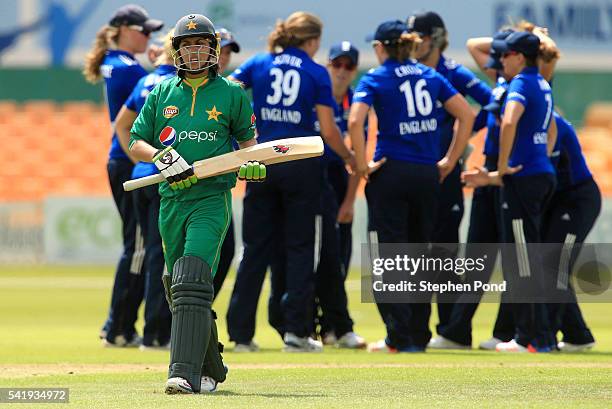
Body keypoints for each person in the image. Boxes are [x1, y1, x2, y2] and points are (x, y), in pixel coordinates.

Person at [128, 13, 261, 394]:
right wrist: (162, 157)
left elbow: (251, 149)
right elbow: (136, 141)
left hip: (211, 198)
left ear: (213, 49)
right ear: (177, 51)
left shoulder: (233, 93)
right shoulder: (162, 93)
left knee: (190, 277)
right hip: (171, 200)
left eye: (201, 44)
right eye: (187, 45)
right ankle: (212, 366)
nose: (194, 50)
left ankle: (182, 373)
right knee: (176, 285)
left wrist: (252, 167)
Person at [226, 11, 356, 352]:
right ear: (312, 41)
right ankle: (296, 333)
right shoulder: (316, 72)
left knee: (254, 250)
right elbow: (328, 130)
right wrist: (349, 157)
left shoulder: (258, 63)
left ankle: (240, 335)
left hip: (262, 161)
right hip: (301, 164)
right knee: (302, 250)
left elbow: (228, 91)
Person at [349, 20, 474, 352]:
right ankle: (418, 335)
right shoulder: (431, 76)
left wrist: (362, 165)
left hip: (391, 172)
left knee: (390, 259)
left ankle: (399, 336)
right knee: (421, 257)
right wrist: (450, 160)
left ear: (380, 48)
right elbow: (467, 115)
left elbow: (354, 120)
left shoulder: (376, 77)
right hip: (426, 175)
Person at [406, 11, 492, 347]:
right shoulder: (407, 71)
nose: (414, 43)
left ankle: (452, 332)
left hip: (445, 172)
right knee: (414, 249)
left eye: (420, 36)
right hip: (417, 171)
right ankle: (413, 331)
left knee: (443, 250)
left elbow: (492, 103)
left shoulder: (452, 71)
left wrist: (461, 138)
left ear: (436, 37)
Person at [429, 29, 517, 351]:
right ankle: (456, 331)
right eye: (500, 56)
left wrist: (528, 40)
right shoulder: (503, 83)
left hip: (512, 174)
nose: (497, 62)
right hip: (489, 173)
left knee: (514, 258)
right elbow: (475, 46)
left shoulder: (529, 83)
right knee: (477, 258)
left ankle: (511, 333)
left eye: (507, 55)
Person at [83, 4, 163, 347]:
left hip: (122, 160)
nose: (149, 37)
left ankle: (118, 324)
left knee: (137, 244)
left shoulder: (116, 65)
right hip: (131, 162)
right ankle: (118, 325)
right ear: (125, 29)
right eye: (144, 31)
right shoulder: (130, 70)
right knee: (140, 246)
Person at [490, 31, 557, 353]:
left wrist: (502, 165)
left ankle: (528, 337)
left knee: (521, 260)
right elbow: (552, 128)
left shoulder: (520, 84)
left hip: (524, 177)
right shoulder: (543, 82)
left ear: (519, 56)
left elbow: (509, 121)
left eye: (506, 55)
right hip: (540, 172)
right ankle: (540, 336)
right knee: (530, 256)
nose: (501, 60)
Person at [115, 30, 176, 350]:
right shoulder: (178, 86)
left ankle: (135, 327)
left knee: (149, 253)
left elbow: (121, 125)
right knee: (163, 257)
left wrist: (136, 158)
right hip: (165, 180)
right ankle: (155, 333)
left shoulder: (145, 82)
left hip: (143, 175)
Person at [314, 42, 366, 348]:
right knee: (317, 258)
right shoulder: (315, 96)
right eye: (337, 64)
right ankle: (320, 324)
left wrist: (349, 202)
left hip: (339, 183)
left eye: (349, 66)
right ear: (328, 64)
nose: (342, 72)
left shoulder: (355, 103)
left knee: (339, 260)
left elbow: (358, 158)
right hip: (314, 181)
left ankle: (332, 325)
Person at [211, 27, 241, 302]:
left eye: (229, 52)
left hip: (219, 187)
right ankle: (163, 327)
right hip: (180, 186)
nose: (224, 57)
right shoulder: (174, 88)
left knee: (226, 250)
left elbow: (246, 142)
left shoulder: (232, 93)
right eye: (220, 49)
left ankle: (198, 313)